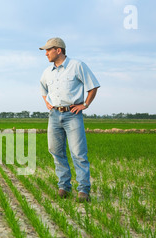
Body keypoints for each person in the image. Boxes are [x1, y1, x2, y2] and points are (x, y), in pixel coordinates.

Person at [39, 37, 100, 202]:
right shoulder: (47, 72)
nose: (46, 54)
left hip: (72, 114)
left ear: (58, 50)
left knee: (78, 153)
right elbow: (43, 88)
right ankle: (64, 187)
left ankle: (83, 191)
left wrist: (85, 104)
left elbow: (93, 86)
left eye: (48, 50)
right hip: (54, 116)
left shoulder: (77, 65)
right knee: (56, 151)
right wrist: (47, 102)